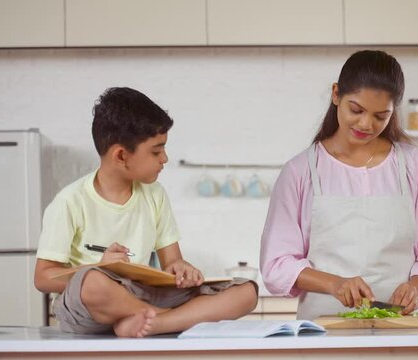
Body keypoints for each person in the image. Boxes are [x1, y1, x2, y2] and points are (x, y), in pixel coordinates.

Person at [34, 87, 258, 337]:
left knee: (246, 291)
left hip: (141, 291)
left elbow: (172, 262)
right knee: (92, 282)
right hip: (92, 306)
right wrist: (98, 267)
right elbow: (43, 278)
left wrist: (182, 269)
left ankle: (152, 322)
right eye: (156, 150)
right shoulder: (69, 201)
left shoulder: (155, 195)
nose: (165, 158)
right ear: (121, 155)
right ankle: (164, 318)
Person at [260, 50, 418, 320]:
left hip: (404, 330)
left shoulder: (413, 164)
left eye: (380, 116)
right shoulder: (300, 171)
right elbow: (277, 264)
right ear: (336, 94)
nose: (366, 124)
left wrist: (416, 286)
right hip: (324, 332)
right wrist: (334, 283)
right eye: (356, 110)